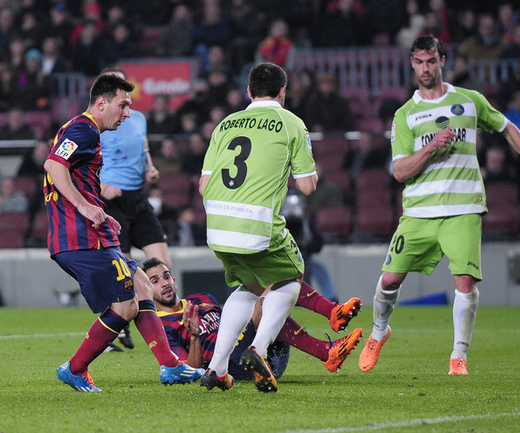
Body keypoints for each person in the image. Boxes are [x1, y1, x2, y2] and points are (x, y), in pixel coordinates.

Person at [358, 35, 520, 376]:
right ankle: (379, 331)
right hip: (419, 212)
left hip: (464, 206)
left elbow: (508, 128)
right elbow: (400, 171)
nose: (425, 68)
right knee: (389, 280)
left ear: (442, 61)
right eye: (419, 62)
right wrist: (430, 148)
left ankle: (458, 357)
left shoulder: (469, 101)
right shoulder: (405, 114)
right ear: (412, 64)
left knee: (465, 282)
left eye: (431, 61)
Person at [44, 73, 204, 392]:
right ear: (102, 103)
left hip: (93, 232)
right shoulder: (83, 129)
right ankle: (75, 369)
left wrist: (99, 210)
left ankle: (170, 365)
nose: (128, 113)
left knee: (143, 286)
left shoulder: (82, 129)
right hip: (80, 238)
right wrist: (86, 208)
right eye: (123, 105)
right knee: (125, 306)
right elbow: (53, 166)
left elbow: (73, 174)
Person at [198, 62, 318, 393]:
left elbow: (203, 185)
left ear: (248, 92)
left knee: (250, 287)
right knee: (292, 277)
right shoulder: (291, 123)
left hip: (217, 224)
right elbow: (307, 186)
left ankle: (217, 368)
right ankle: (259, 348)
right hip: (255, 224)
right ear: (283, 91)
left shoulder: (225, 124)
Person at [143, 258, 362, 380]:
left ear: (174, 280)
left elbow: (231, 324)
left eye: (166, 277)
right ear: (146, 288)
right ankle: (328, 338)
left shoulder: (202, 298)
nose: (164, 283)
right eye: (154, 281)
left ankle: (328, 341)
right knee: (273, 290)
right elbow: (189, 371)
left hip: (268, 351)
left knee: (279, 286)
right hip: (236, 367)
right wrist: (193, 337)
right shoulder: (160, 327)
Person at [99, 66, 173, 351]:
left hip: (138, 199)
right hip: (112, 202)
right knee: (127, 274)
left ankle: (169, 329)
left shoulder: (138, 118)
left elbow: (144, 150)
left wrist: (150, 170)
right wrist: (101, 185)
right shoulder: (94, 123)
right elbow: (78, 164)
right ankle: (116, 328)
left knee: (163, 267)